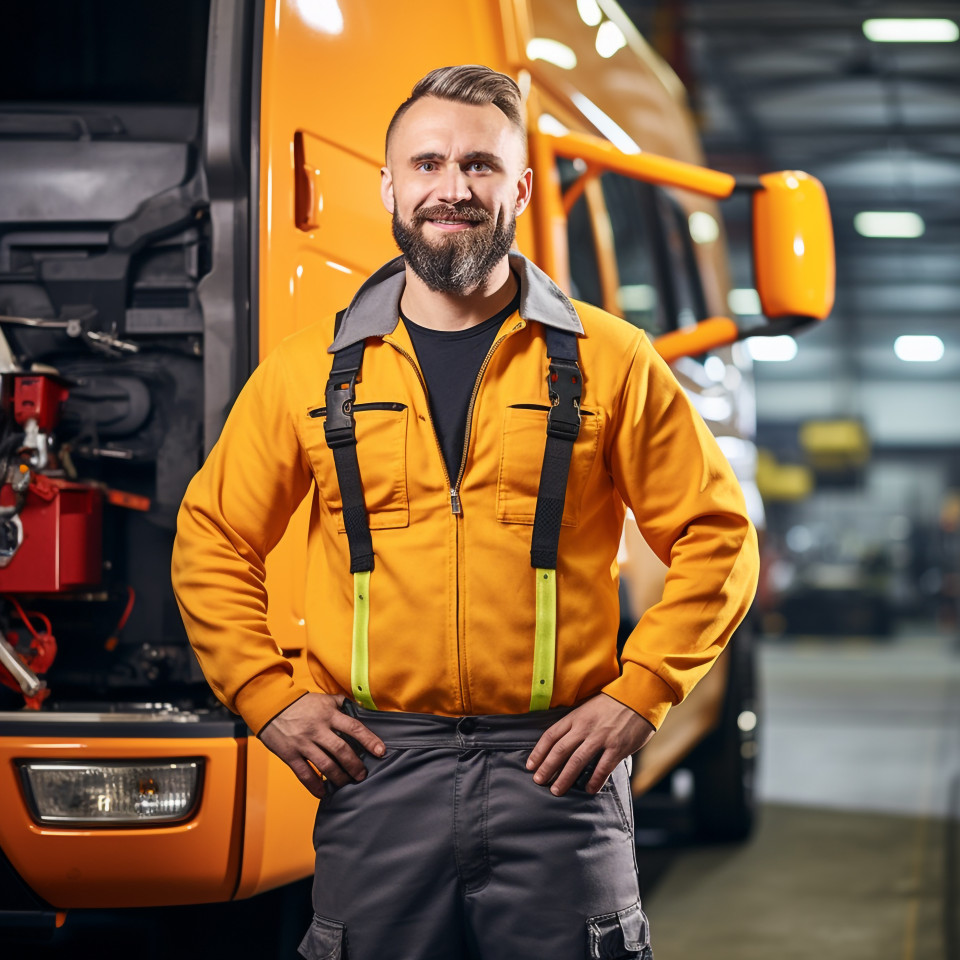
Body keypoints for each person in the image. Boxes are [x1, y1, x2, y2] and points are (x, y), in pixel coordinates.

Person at [172, 64, 759, 960]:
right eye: (429, 164)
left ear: (520, 186)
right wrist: (266, 694)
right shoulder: (308, 371)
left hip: (560, 775)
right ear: (390, 185)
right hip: (378, 772)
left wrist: (640, 696)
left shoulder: (611, 361)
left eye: (481, 166)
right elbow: (214, 536)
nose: (454, 189)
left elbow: (717, 539)